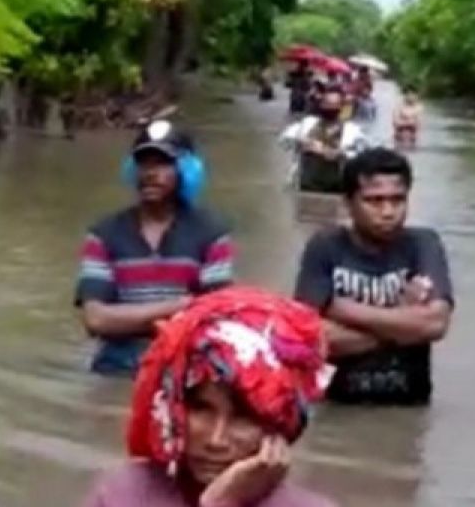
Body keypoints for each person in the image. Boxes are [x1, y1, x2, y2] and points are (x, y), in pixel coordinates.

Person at [80, 286, 337, 507]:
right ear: (172, 407)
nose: (216, 440)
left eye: (243, 417)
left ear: (278, 425)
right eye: (201, 409)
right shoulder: (124, 494)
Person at [293, 148, 454, 405]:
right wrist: (404, 324)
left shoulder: (423, 244)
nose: (388, 212)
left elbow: (435, 324)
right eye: (374, 201)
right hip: (336, 406)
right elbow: (306, 339)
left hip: (407, 410)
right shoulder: (326, 246)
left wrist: (339, 308)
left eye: (397, 199)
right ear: (348, 203)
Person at [75, 120, 235, 377]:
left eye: (163, 163)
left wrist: (125, 320)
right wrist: (182, 305)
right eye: (144, 163)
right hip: (116, 366)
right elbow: (95, 320)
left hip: (182, 368)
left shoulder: (212, 232)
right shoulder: (103, 234)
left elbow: (214, 316)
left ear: (186, 170)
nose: (151, 173)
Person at [279, 87, 369, 194]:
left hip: (336, 187)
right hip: (306, 185)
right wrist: (303, 142)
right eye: (327, 103)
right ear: (321, 104)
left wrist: (340, 153)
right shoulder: (308, 123)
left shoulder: (351, 130)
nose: (330, 107)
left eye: (334, 104)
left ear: (341, 107)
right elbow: (283, 141)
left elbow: (364, 156)